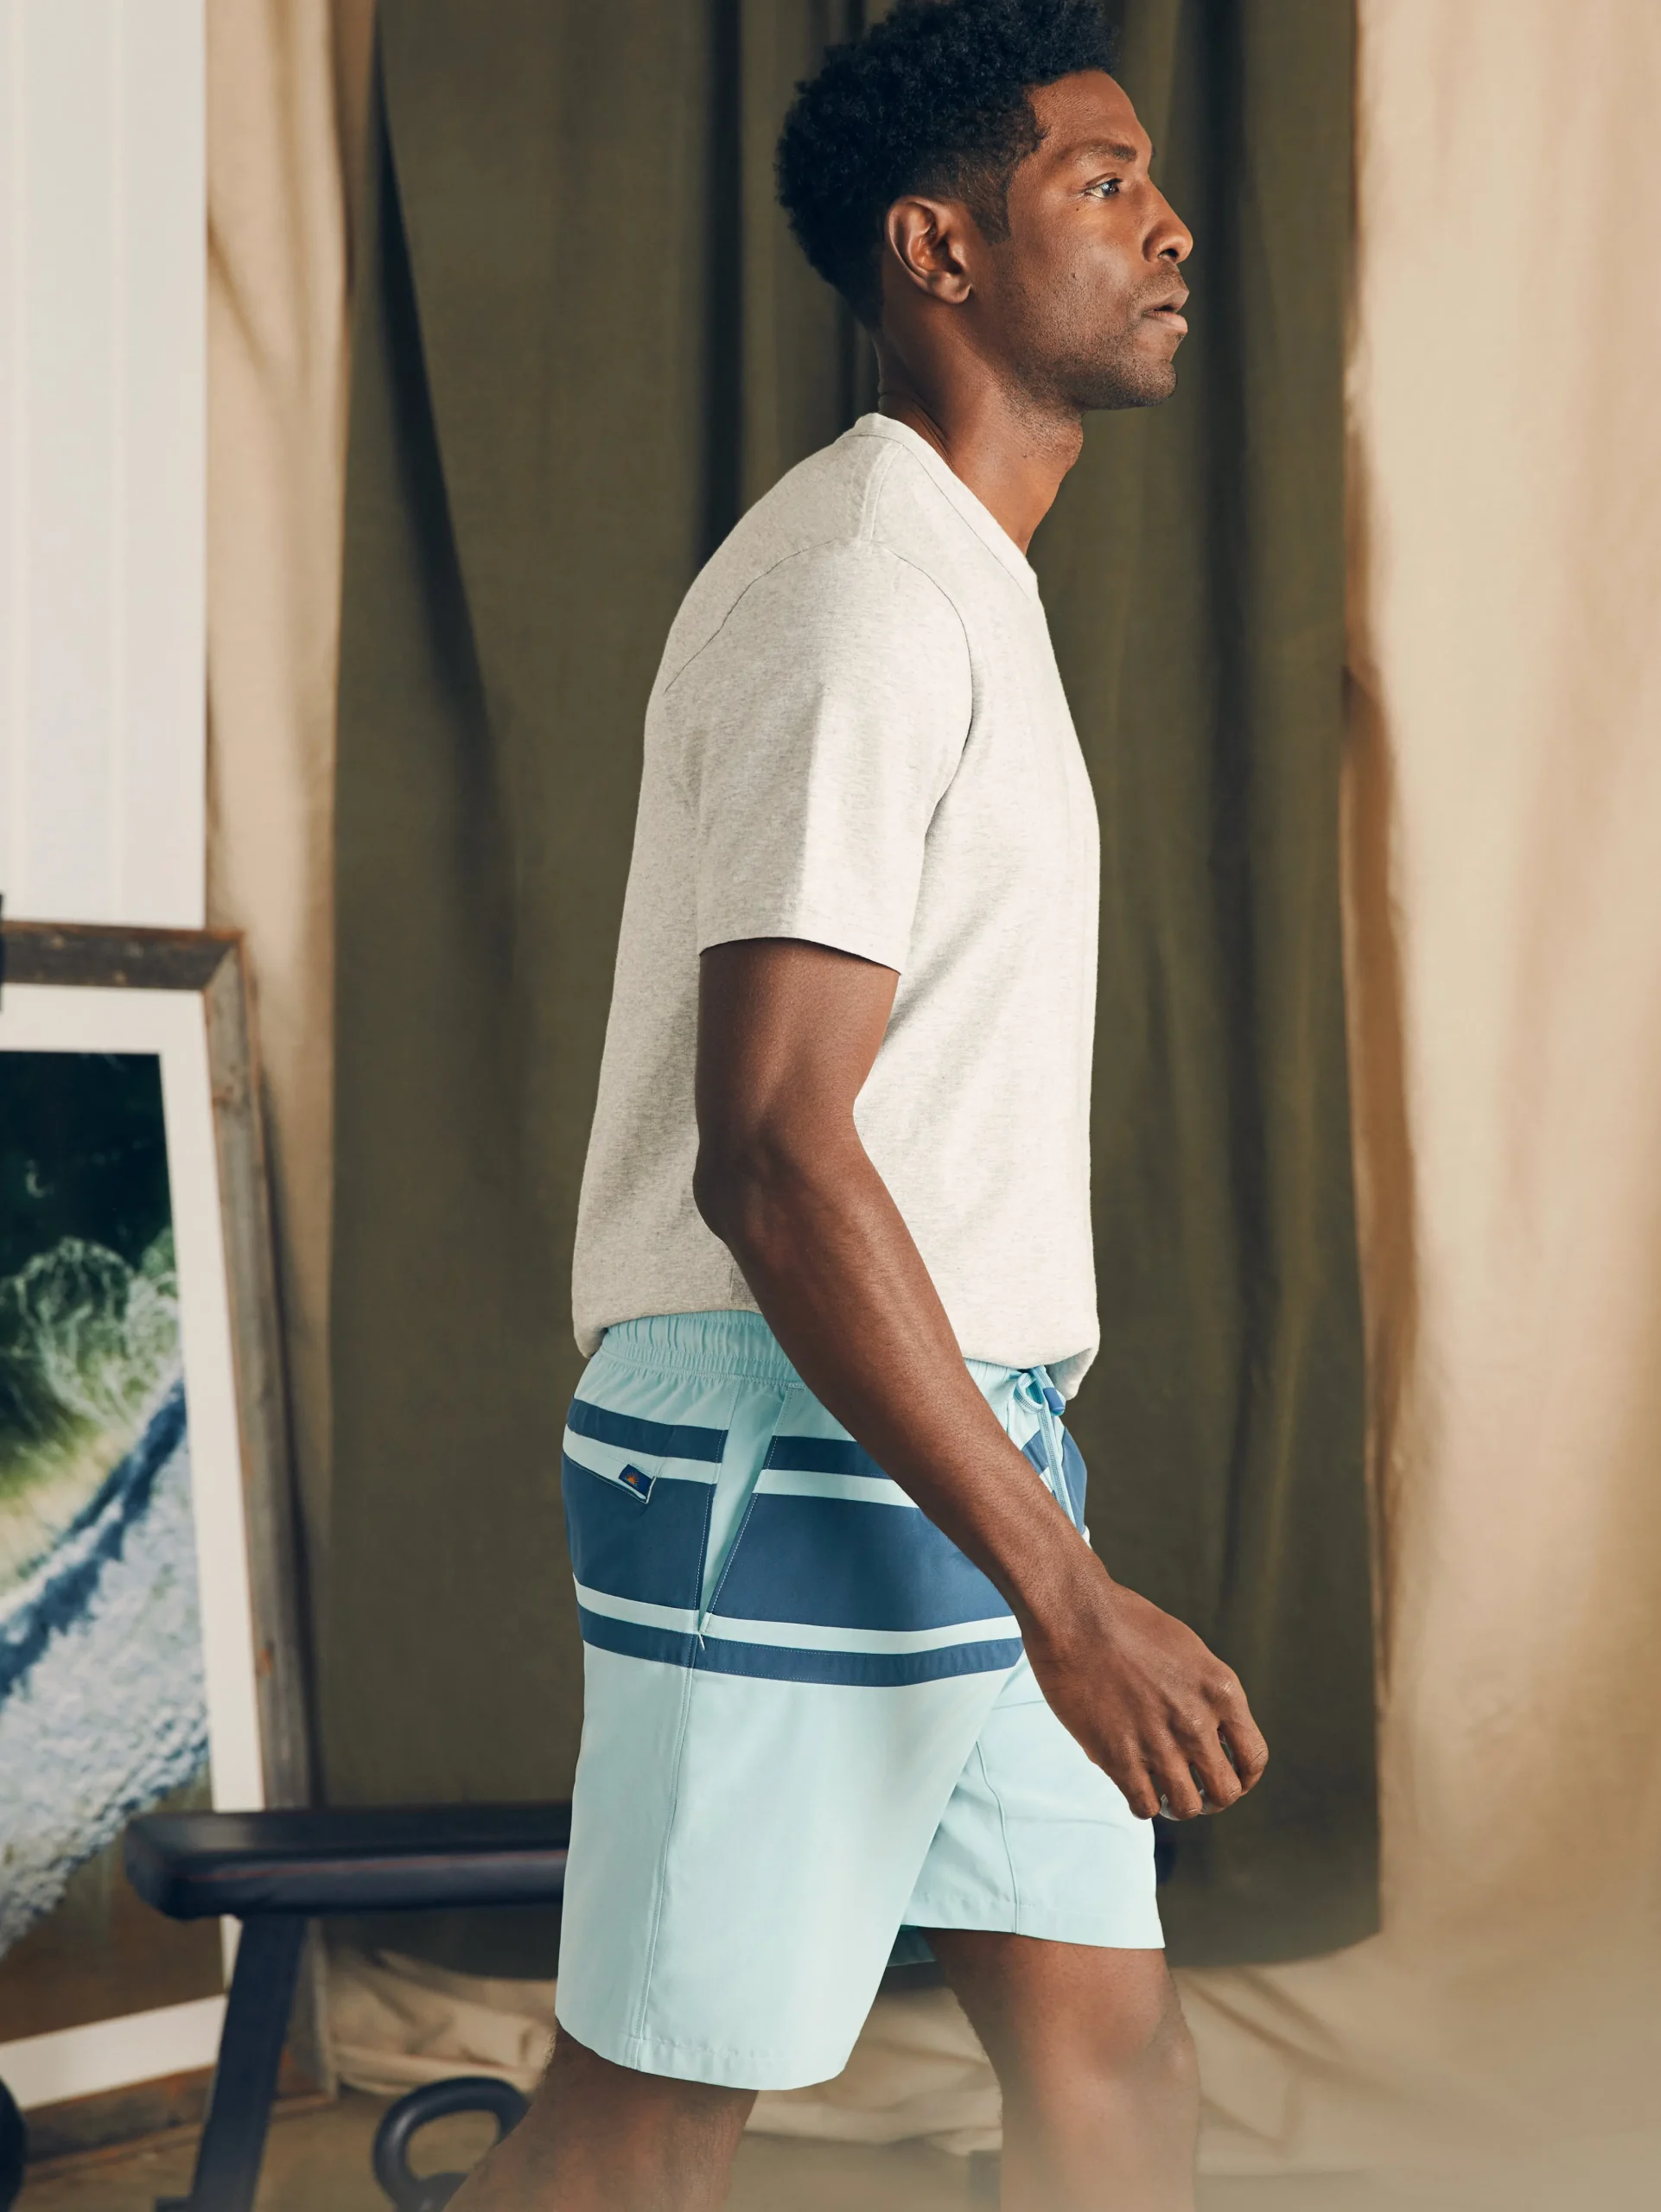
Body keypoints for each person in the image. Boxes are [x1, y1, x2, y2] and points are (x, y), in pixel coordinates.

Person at [454, 3, 1267, 2206]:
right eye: (1101, 181)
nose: (1171, 225)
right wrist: (1068, 1594)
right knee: (646, 2117)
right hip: (779, 1437)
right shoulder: (857, 597)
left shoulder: (959, 580)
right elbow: (774, 1152)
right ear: (941, 248)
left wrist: (1038, 1544)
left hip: (959, 1440)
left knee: (1107, 2044)